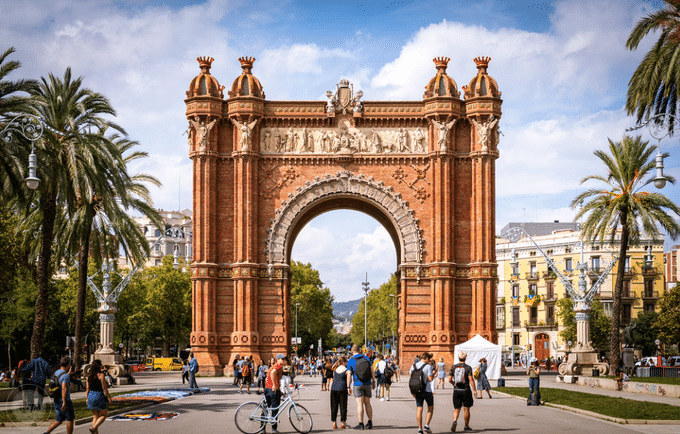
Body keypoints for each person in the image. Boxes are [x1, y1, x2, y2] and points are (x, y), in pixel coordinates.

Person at [346, 344, 374, 430]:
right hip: (367, 383)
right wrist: (374, 381)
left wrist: (348, 387)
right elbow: (372, 370)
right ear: (360, 350)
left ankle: (361, 424)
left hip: (357, 384)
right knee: (368, 403)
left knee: (359, 404)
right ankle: (369, 422)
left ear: (352, 351)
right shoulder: (366, 358)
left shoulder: (350, 361)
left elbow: (349, 375)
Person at [448, 351, 476, 432]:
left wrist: (453, 384)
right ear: (465, 358)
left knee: (457, 408)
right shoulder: (468, 368)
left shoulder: (453, 367)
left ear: (458, 357)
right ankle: (466, 426)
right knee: (466, 409)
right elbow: (471, 380)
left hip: (456, 390)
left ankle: (454, 421)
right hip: (466, 390)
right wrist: (474, 390)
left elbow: (449, 379)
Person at [45, 356, 74, 434]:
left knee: (59, 420)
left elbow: (60, 380)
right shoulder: (66, 376)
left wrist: (68, 374)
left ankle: (46, 433)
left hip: (56, 399)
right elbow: (64, 388)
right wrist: (64, 402)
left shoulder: (56, 373)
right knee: (70, 419)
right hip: (65, 400)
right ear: (68, 365)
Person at [409, 352, 435, 434]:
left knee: (419, 409)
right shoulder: (428, 366)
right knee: (430, 408)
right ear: (426, 358)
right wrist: (433, 374)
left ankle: (420, 429)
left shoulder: (414, 366)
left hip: (417, 390)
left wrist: (413, 391)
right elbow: (430, 379)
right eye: (429, 359)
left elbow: (411, 377)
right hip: (427, 390)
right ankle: (426, 425)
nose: (429, 360)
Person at [86, 360, 113, 434]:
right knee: (104, 414)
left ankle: (95, 432)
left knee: (95, 416)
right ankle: (93, 427)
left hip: (90, 395)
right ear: (99, 366)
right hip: (98, 395)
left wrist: (86, 398)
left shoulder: (88, 376)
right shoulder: (101, 375)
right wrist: (109, 398)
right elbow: (104, 388)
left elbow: (87, 388)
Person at [264, 354, 286, 434]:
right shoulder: (278, 366)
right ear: (278, 359)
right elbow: (273, 373)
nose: (284, 360)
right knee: (275, 409)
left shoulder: (272, 366)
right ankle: (274, 429)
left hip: (267, 389)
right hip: (273, 390)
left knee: (265, 409)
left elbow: (267, 376)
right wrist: (274, 385)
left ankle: (262, 429)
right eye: (282, 359)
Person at [329, 356, 350, 429]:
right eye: (346, 362)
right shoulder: (346, 370)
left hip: (334, 388)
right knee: (343, 405)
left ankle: (334, 423)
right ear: (344, 362)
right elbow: (348, 379)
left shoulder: (335, 369)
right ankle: (343, 423)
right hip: (342, 388)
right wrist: (349, 388)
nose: (347, 363)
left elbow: (333, 377)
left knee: (334, 406)